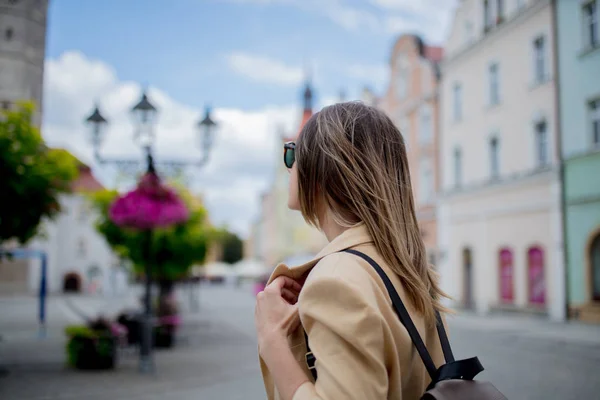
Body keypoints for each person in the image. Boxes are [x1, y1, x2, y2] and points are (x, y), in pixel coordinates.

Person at [254, 102, 449, 400]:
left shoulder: (337, 279)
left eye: (292, 153)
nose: (289, 165)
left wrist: (272, 339)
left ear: (321, 171)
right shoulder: (409, 269)